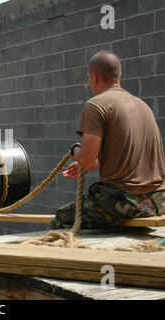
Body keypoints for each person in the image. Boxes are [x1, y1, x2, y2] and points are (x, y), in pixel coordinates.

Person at [49, 50, 165, 230]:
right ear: (119, 76)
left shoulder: (96, 105)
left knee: (60, 219)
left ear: (94, 76)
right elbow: (125, 160)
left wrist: (75, 151)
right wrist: (92, 164)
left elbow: (85, 160)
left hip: (124, 202)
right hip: (158, 202)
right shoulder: (143, 106)